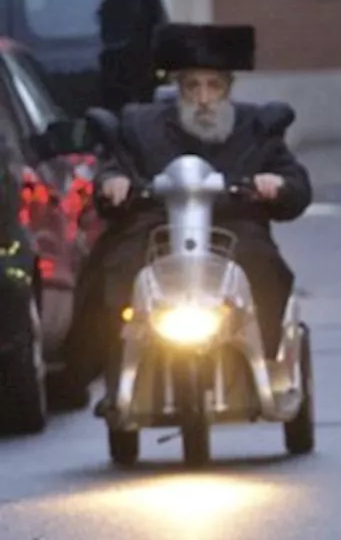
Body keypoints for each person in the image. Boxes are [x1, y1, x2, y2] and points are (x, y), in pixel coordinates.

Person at [63, 22, 312, 417]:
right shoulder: (140, 125)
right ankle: (114, 370)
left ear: (228, 88)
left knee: (265, 268)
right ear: (178, 89)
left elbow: (296, 185)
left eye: (214, 86)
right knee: (112, 274)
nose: (203, 99)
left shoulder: (256, 126)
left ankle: (262, 365)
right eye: (192, 86)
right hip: (155, 227)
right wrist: (114, 184)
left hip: (233, 228)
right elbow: (114, 168)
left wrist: (276, 185)